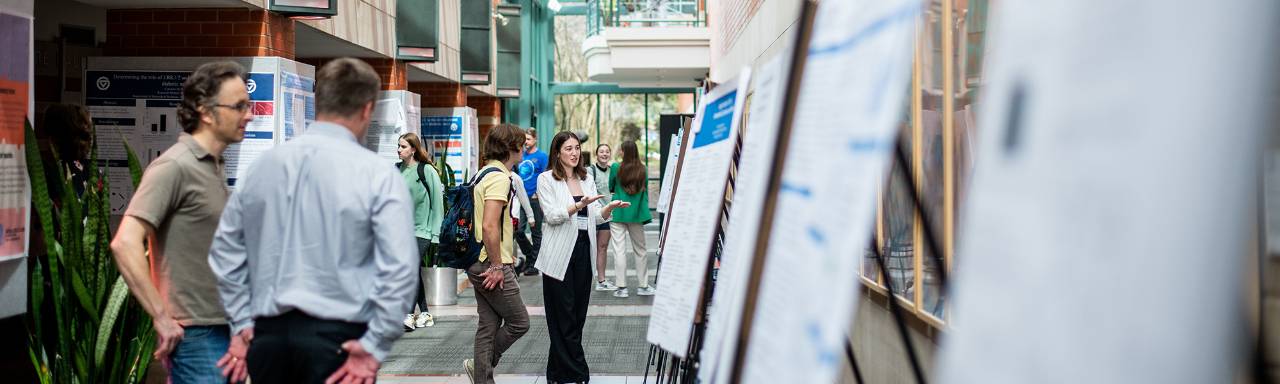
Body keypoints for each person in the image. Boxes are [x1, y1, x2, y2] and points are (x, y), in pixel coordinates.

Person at [208, 58, 419, 384]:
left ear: (317, 101)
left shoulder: (264, 166)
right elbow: (400, 268)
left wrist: (241, 323)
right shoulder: (376, 174)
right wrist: (375, 345)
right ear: (367, 109)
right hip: (338, 341)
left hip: (268, 339)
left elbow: (225, 251)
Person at [109, 61, 252, 383]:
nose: (249, 114)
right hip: (196, 336)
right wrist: (161, 317)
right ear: (205, 111)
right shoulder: (174, 165)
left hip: (224, 330)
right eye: (239, 106)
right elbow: (125, 242)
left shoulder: (212, 166)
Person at [534, 132, 628, 383]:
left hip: (583, 251)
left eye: (577, 148)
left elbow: (595, 216)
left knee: (577, 316)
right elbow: (552, 216)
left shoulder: (586, 179)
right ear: (557, 153)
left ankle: (555, 373)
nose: (574, 153)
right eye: (568, 149)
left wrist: (608, 208)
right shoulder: (546, 180)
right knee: (562, 316)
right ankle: (578, 373)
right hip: (558, 255)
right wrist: (577, 205)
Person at [464, 123, 532, 384]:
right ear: (510, 147)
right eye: (520, 143)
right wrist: (496, 266)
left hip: (475, 260)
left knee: (488, 325)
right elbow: (489, 225)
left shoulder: (482, 173)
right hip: (491, 264)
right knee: (519, 322)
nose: (524, 147)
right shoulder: (499, 177)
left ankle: (482, 378)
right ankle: (480, 366)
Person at [398, 132, 445, 331]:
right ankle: (425, 312)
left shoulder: (426, 171)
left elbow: (437, 203)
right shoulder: (396, 170)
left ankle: (409, 314)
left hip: (423, 230)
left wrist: (436, 233)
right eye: (398, 147)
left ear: (414, 149)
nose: (399, 150)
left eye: (403, 147)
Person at [608, 140, 655, 298]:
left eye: (621, 150)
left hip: (619, 213)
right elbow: (645, 192)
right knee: (640, 251)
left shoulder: (615, 167)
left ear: (624, 152)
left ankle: (622, 287)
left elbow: (611, 186)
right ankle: (643, 286)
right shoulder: (643, 169)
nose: (620, 152)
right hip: (636, 215)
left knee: (619, 251)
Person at [515, 128, 548, 275]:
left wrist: (538, 194)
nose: (526, 142)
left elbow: (546, 177)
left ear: (535, 139)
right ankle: (529, 256)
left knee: (536, 232)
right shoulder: (521, 155)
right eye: (524, 139)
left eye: (528, 139)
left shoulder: (541, 156)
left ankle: (534, 265)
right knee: (518, 231)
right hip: (520, 199)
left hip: (534, 199)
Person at [588, 144, 615, 291]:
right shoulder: (590, 171)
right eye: (601, 151)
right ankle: (586, 279)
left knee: (602, 248)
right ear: (596, 154)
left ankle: (601, 280)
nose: (604, 154)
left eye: (607, 151)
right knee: (590, 248)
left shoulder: (613, 171)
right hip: (593, 214)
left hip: (607, 215)